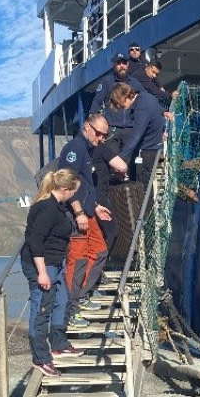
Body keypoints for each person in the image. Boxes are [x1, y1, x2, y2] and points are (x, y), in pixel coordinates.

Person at [20, 168, 81, 375]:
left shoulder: (58, 206)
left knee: (61, 300)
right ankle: (40, 357)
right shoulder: (47, 209)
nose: (75, 196)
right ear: (65, 189)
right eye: (74, 192)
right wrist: (42, 273)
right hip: (42, 265)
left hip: (56, 262)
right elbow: (35, 241)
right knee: (41, 309)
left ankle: (58, 343)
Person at [58, 114, 114, 326]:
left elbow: (85, 189)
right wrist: (79, 212)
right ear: (86, 127)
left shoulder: (87, 150)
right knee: (78, 260)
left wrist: (95, 207)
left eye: (104, 135)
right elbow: (66, 184)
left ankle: (81, 295)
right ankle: (72, 309)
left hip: (87, 213)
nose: (101, 138)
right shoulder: (74, 149)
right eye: (98, 133)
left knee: (99, 251)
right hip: (76, 216)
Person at [108, 81, 166, 190]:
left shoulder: (141, 108)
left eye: (119, 104)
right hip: (155, 146)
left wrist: (120, 159)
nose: (120, 107)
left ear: (122, 98)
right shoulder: (146, 96)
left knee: (143, 188)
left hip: (148, 151)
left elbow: (136, 136)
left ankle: (146, 206)